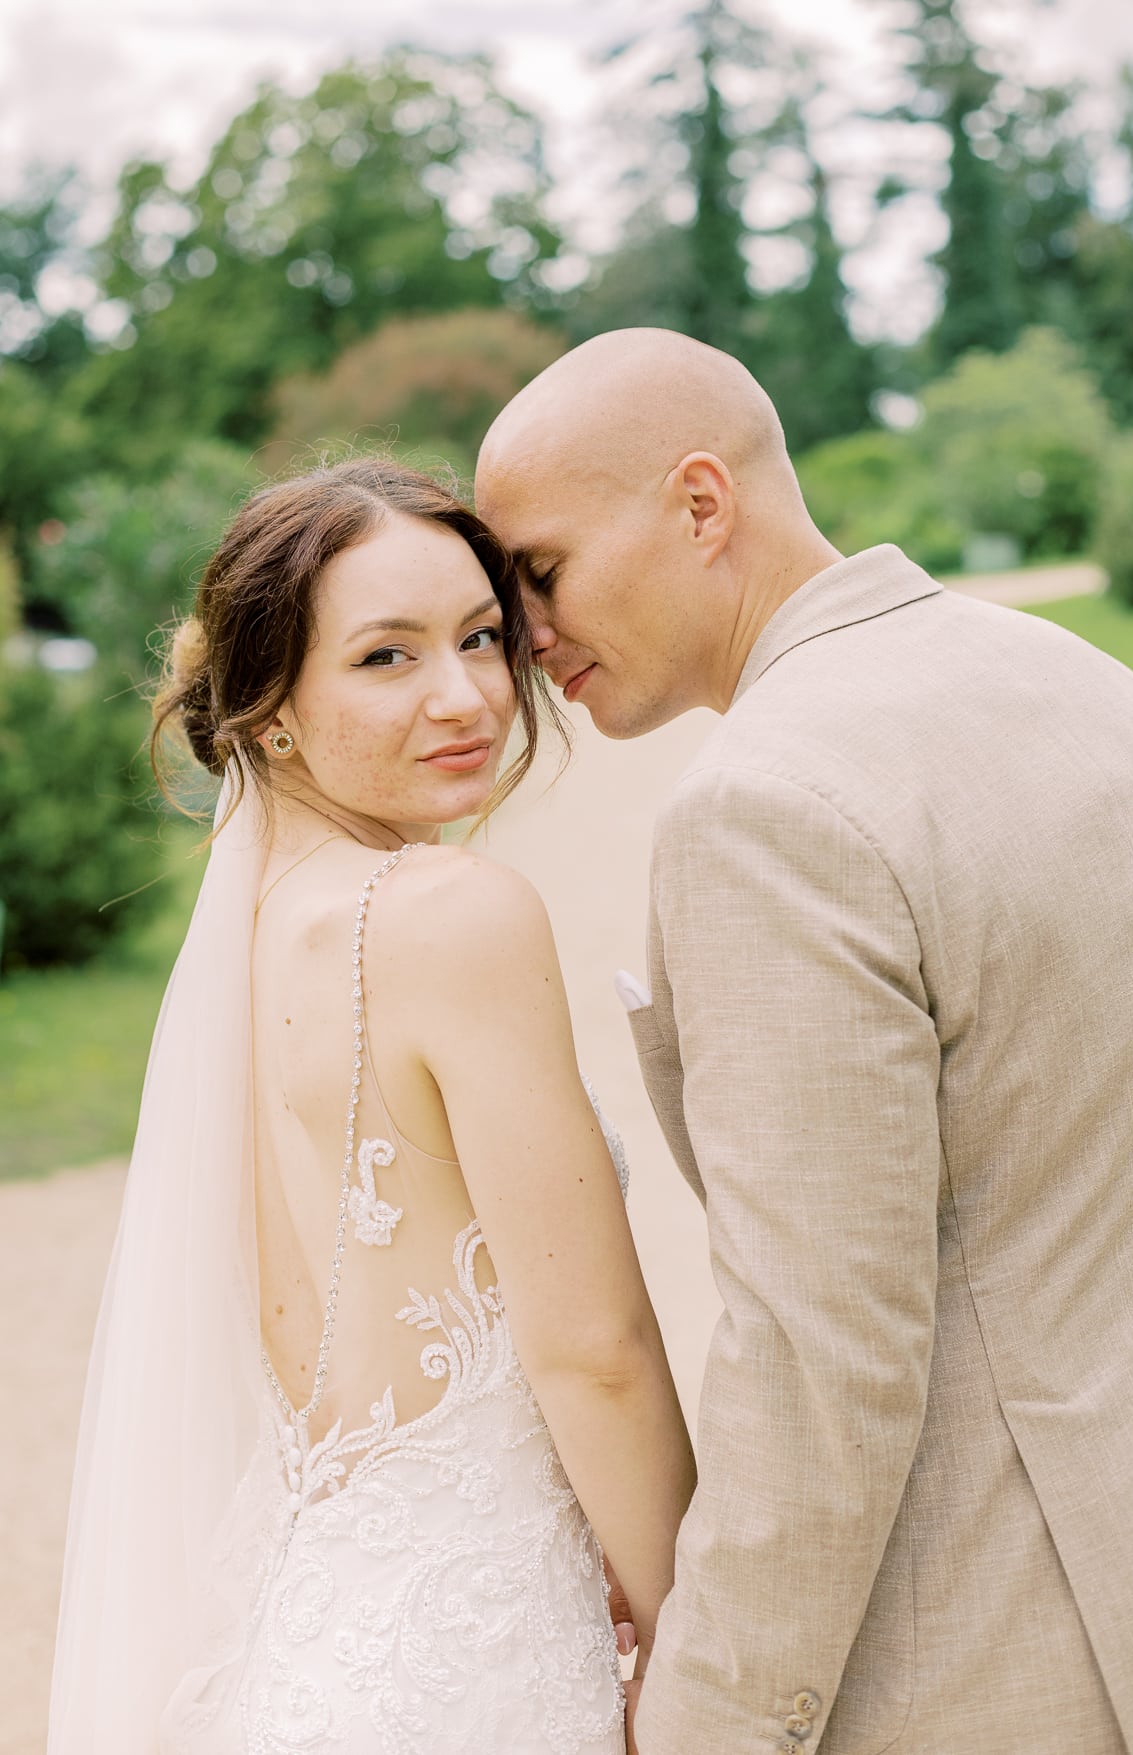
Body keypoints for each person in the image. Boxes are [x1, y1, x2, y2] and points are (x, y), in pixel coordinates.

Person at [475, 328, 1133, 1755]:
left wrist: (712, 1724)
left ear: (699, 503)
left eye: (539, 572)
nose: (528, 636)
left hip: (984, 1655)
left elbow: (819, 1360)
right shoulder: (1082, 679)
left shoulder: (767, 813)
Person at [48, 457, 695, 1755]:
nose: (463, 696)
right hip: (485, 1670)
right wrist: (698, 1632)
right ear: (272, 706)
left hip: (321, 1651)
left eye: (478, 638)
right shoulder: (446, 914)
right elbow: (596, 1352)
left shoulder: (249, 945)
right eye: (386, 658)